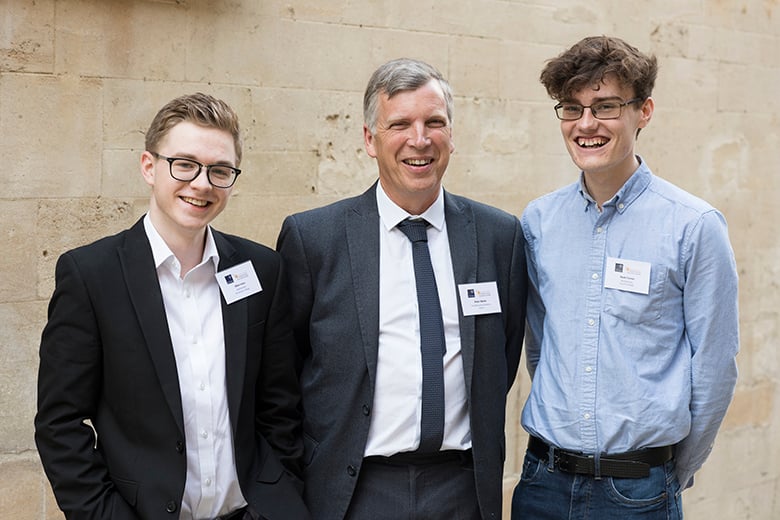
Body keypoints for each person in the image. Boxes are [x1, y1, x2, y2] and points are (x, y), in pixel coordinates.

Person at [35, 93, 309, 520]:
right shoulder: (91, 276)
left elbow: (280, 408)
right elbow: (59, 425)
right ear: (149, 166)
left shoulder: (261, 270)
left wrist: (279, 494)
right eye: (185, 164)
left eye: (220, 170)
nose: (202, 184)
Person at [276, 58, 527, 519]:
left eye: (435, 122)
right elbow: (284, 374)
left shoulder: (499, 236)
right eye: (400, 124)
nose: (420, 139)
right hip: (353, 491)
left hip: (463, 490)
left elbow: (500, 357)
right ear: (370, 139)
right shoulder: (315, 239)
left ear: (451, 134)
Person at [511, 36, 739, 519]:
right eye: (572, 108)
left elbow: (714, 367)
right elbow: (540, 345)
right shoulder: (538, 222)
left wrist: (668, 472)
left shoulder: (694, 226)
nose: (586, 124)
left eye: (605, 106)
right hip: (542, 484)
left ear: (644, 112)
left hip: (637, 494)